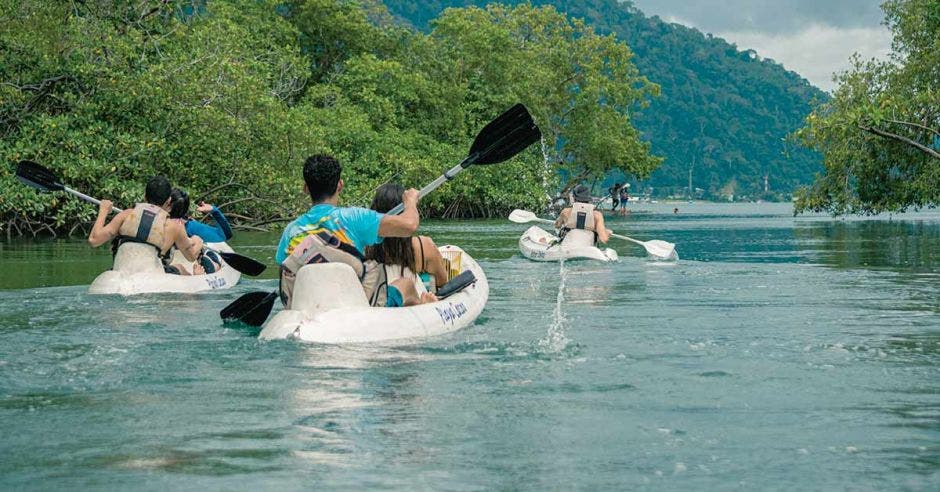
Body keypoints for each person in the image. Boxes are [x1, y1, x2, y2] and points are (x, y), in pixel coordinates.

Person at [275, 154, 422, 309]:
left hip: (309, 306)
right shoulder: (355, 218)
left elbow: (286, 275)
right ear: (340, 185)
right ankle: (425, 303)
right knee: (405, 285)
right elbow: (410, 225)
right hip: (352, 307)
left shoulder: (290, 231)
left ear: (305, 188)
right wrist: (410, 202)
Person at [87, 176, 204, 271]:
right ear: (169, 201)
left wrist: (103, 211)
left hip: (121, 270)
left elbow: (94, 240)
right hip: (150, 276)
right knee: (180, 268)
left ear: (145, 196)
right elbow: (191, 256)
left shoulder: (126, 214)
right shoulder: (175, 227)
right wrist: (198, 241)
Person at [365, 183, 449, 307]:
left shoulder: (363, 246)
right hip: (412, 307)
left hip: (377, 303)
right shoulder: (423, 246)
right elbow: (442, 281)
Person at [168, 188, 229, 274]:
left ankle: (210, 257)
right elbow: (225, 235)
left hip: (182, 265)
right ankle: (212, 259)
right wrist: (214, 211)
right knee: (208, 259)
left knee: (205, 259)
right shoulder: (190, 226)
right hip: (188, 263)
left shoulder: (156, 221)